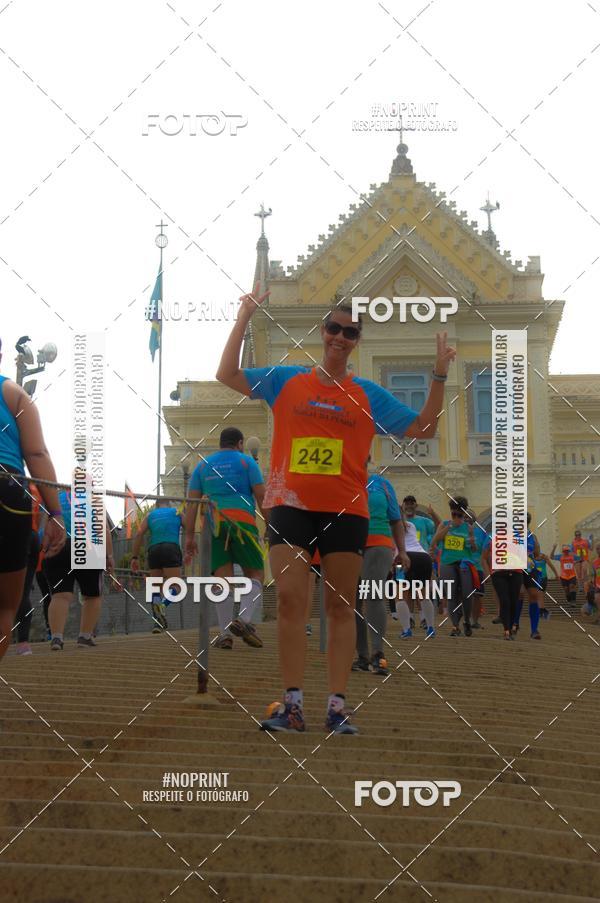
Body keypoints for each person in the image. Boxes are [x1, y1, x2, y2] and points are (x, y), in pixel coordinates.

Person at [216, 287, 455, 733]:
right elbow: (226, 373)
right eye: (334, 328)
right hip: (290, 506)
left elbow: (424, 428)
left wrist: (438, 376)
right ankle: (291, 704)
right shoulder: (286, 380)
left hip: (347, 512)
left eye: (350, 332)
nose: (340, 337)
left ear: (356, 340)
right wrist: (244, 315)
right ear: (322, 332)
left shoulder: (367, 394)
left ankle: (337, 705)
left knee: (341, 608)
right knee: (291, 600)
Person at [0, 344, 66, 662]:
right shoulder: (12, 394)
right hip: (7, 489)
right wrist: (55, 513)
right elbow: (37, 454)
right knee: (4, 606)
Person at [184, 427, 266, 650]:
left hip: (213, 525)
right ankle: (244, 619)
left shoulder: (202, 465)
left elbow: (192, 505)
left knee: (222, 581)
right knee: (256, 573)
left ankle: (224, 634)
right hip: (243, 524)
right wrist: (271, 525)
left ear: (220, 443)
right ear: (240, 443)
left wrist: (190, 537)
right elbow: (261, 496)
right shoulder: (247, 463)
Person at [352, 465, 409, 675]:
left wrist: (402, 551)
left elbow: (395, 520)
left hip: (378, 542)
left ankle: (378, 653)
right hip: (348, 544)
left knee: (373, 595)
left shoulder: (382, 484)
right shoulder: (340, 480)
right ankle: (362, 655)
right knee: (353, 602)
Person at [44, 483, 114, 650]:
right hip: (87, 546)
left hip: (59, 546)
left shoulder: (55, 500)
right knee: (92, 595)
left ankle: (56, 638)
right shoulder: (93, 499)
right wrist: (108, 556)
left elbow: (47, 526)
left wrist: (46, 549)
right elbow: (102, 528)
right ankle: (84, 636)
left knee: (60, 596)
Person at [132, 497, 183, 634]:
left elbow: (139, 534)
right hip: (171, 547)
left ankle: (157, 623)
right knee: (177, 586)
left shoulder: (150, 515)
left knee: (156, 587)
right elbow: (189, 527)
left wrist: (134, 557)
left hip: (154, 549)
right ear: (169, 503)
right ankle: (163, 605)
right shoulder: (176, 511)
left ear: (156, 505)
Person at [430, 497, 478, 636]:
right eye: (454, 514)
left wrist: (473, 543)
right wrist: (450, 526)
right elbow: (434, 541)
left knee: (467, 594)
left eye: (459, 515)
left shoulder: (468, 528)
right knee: (451, 595)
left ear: (464, 513)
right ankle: (455, 626)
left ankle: (467, 621)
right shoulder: (444, 524)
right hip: (447, 563)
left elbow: (473, 549)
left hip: (464, 563)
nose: (456, 517)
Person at [12, 483, 44, 654]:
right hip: (31, 536)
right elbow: (40, 518)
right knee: (23, 593)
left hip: (11, 535)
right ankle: (23, 644)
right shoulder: (34, 487)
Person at [395, 515, 436, 639]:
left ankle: (407, 630)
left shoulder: (388, 526)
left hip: (404, 558)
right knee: (423, 596)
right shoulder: (410, 525)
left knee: (400, 597)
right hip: (423, 557)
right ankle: (430, 628)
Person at [482, 535, 523, 641]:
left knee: (513, 602)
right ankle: (507, 630)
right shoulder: (493, 538)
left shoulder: (518, 539)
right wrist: (487, 573)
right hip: (498, 574)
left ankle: (510, 627)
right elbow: (484, 557)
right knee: (505, 601)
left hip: (516, 573)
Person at [582, 543, 600, 623]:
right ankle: (598, 618)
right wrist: (592, 582)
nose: (598, 550)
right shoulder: (595, 562)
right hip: (598, 586)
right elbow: (594, 575)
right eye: (597, 549)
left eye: (599, 548)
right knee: (597, 599)